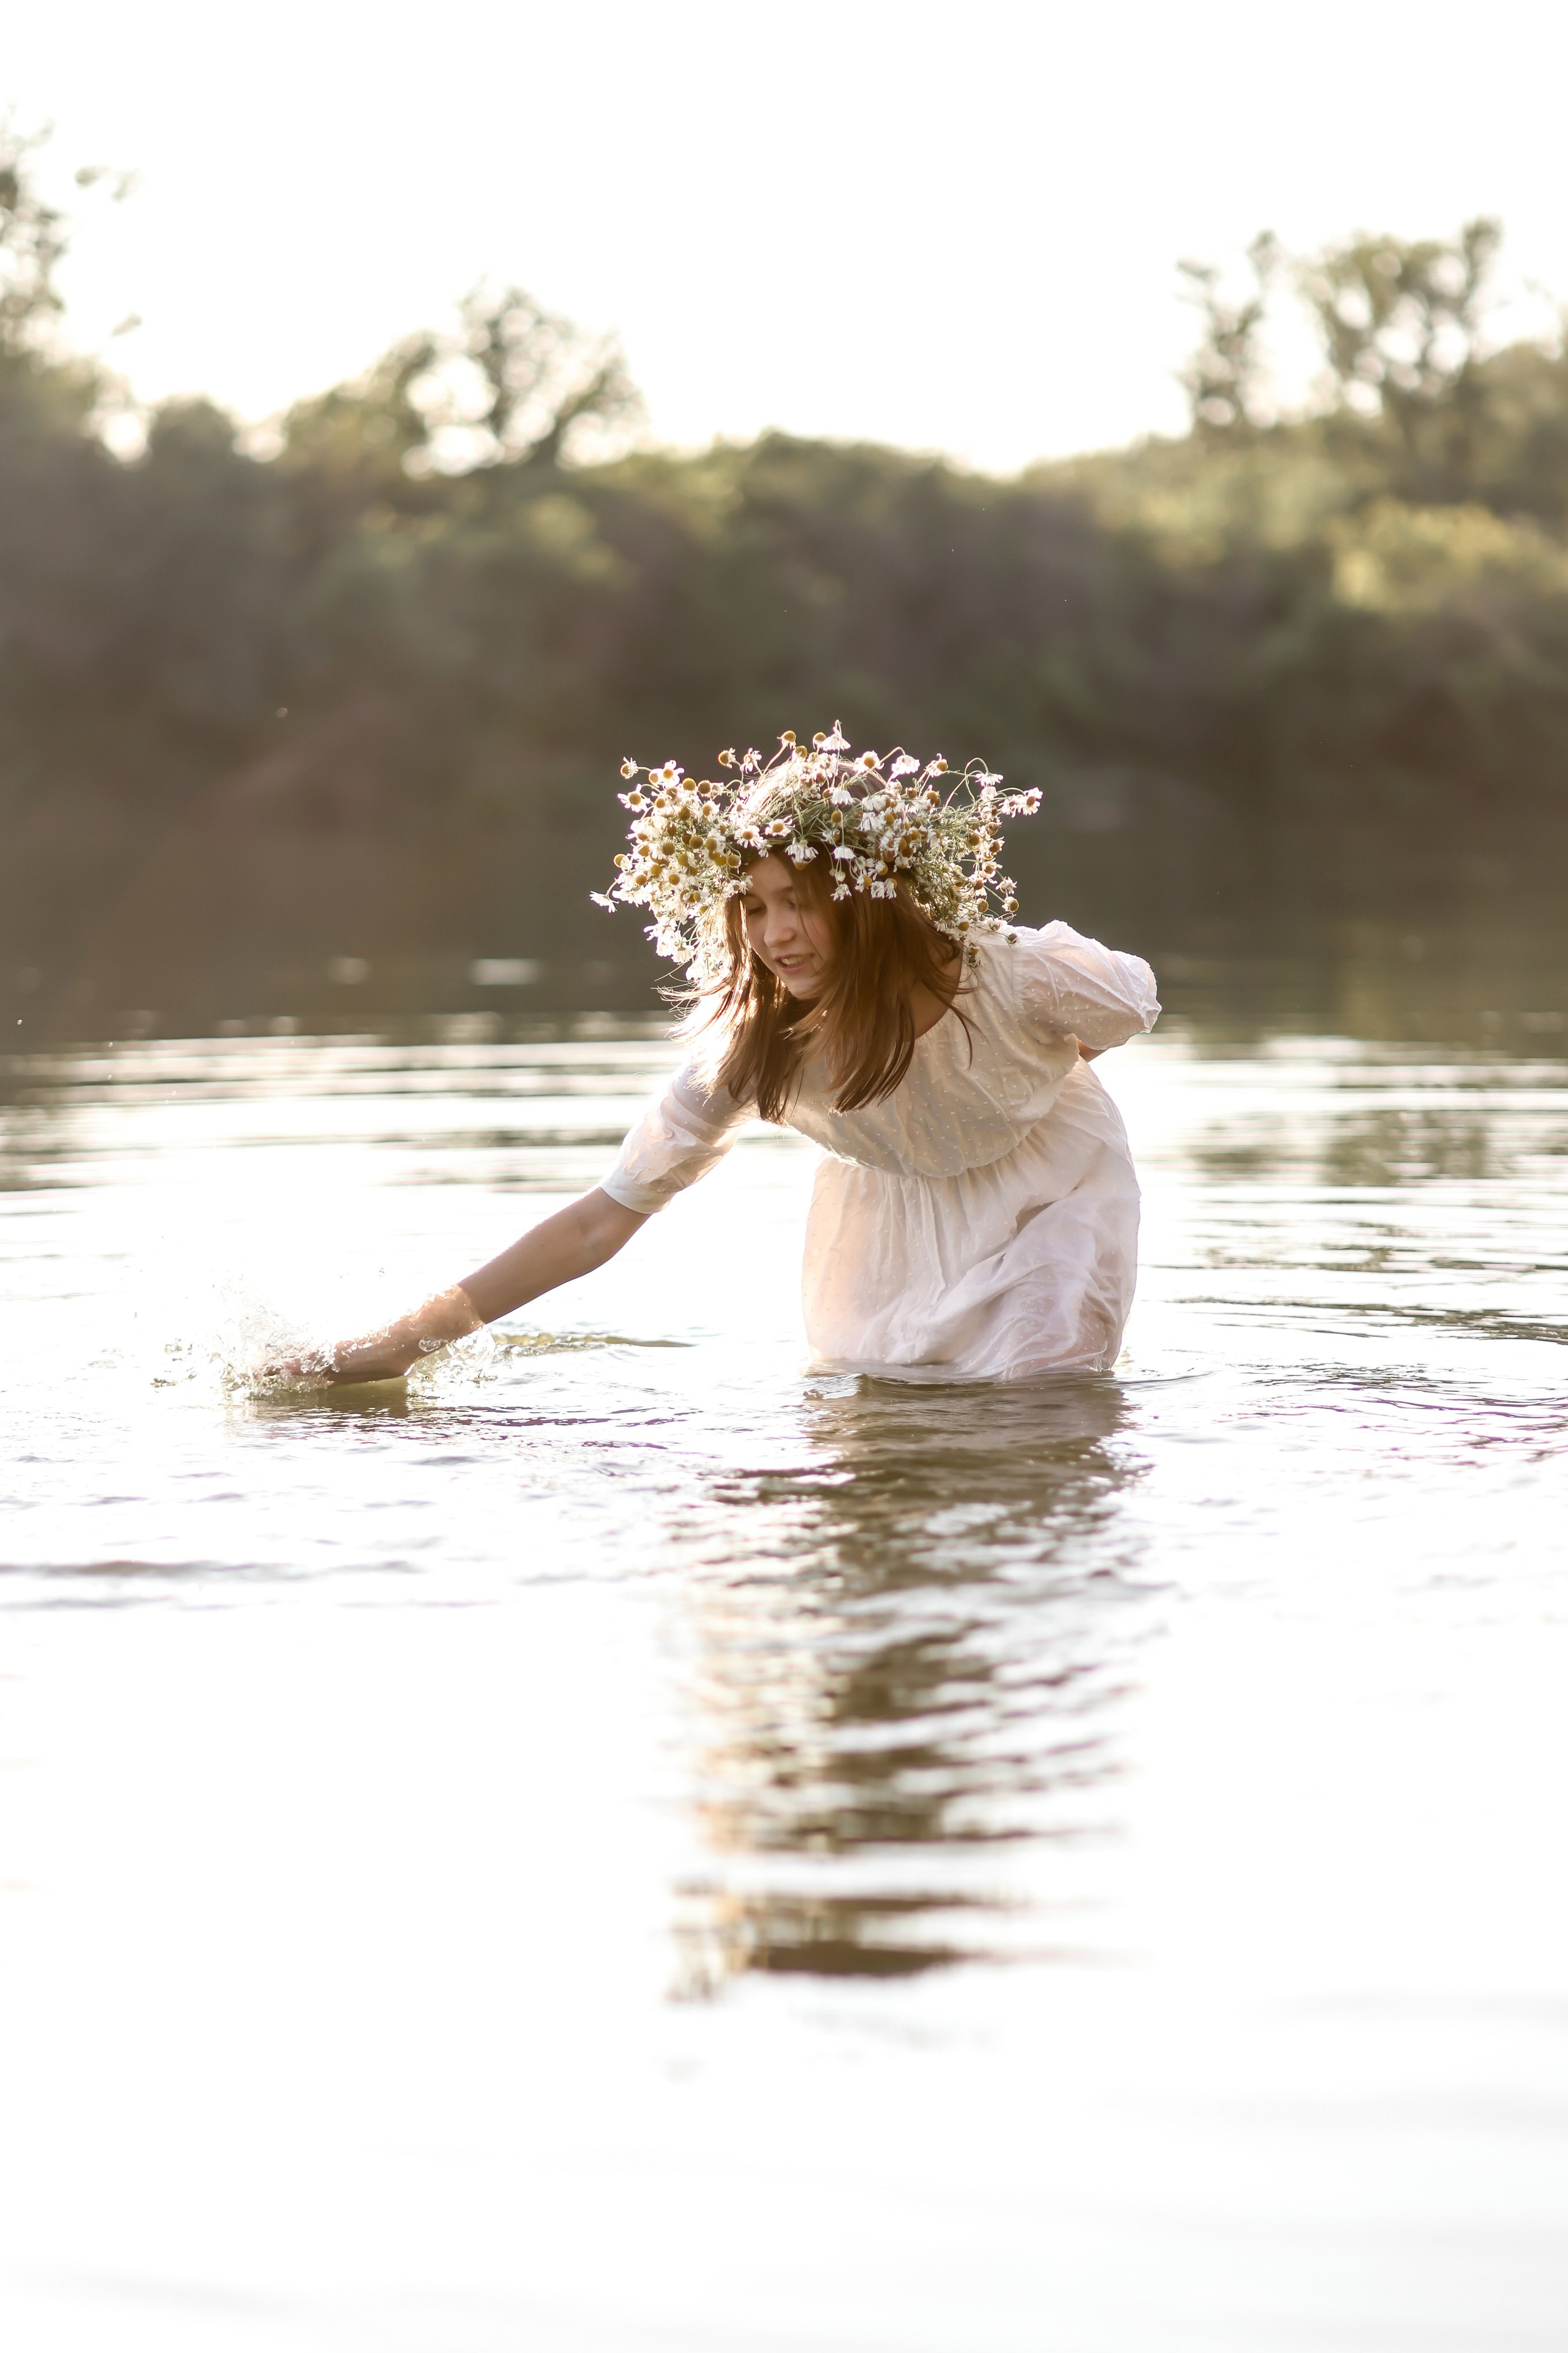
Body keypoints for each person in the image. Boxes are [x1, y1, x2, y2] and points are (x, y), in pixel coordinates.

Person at [309, 727, 1159, 1387]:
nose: (775, 933)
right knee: (896, 1430)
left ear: (871, 896)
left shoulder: (1010, 975)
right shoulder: (760, 1052)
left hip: (1056, 1202)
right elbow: (596, 1222)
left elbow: (1127, 1005)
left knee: (1042, 1391)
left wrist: (1034, 1067)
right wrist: (397, 1348)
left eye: (801, 901)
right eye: (753, 906)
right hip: (891, 1239)